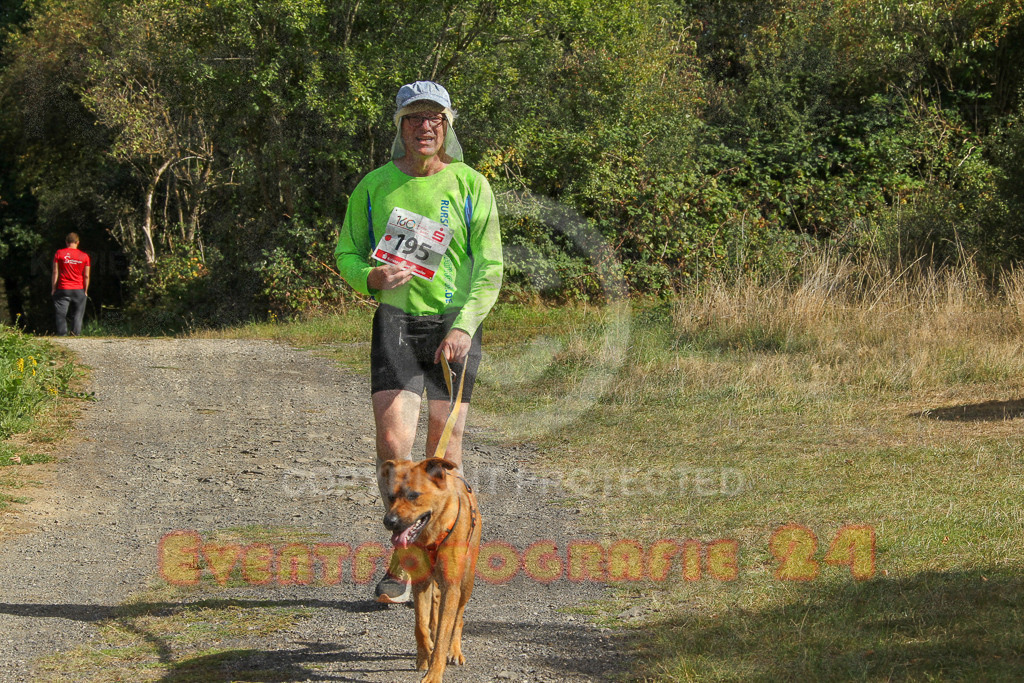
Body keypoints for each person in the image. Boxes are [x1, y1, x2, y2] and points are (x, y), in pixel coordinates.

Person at [335, 81, 503, 603]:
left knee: (443, 453)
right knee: (393, 449)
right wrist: (371, 279)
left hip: (452, 325)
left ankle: (438, 554)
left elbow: (491, 267)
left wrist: (464, 326)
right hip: (394, 324)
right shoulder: (375, 186)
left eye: (434, 118)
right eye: (414, 118)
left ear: (447, 127)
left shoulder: (470, 183)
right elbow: (347, 252)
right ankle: (406, 559)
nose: (424, 127)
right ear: (400, 127)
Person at [51, 232, 91, 336]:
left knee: (61, 314)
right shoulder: (85, 256)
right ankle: (75, 334)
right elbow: (86, 275)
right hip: (79, 289)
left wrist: (53, 288)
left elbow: (55, 272)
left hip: (63, 288)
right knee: (78, 314)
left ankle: (62, 334)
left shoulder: (59, 253)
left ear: (66, 242)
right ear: (78, 242)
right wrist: (85, 290)